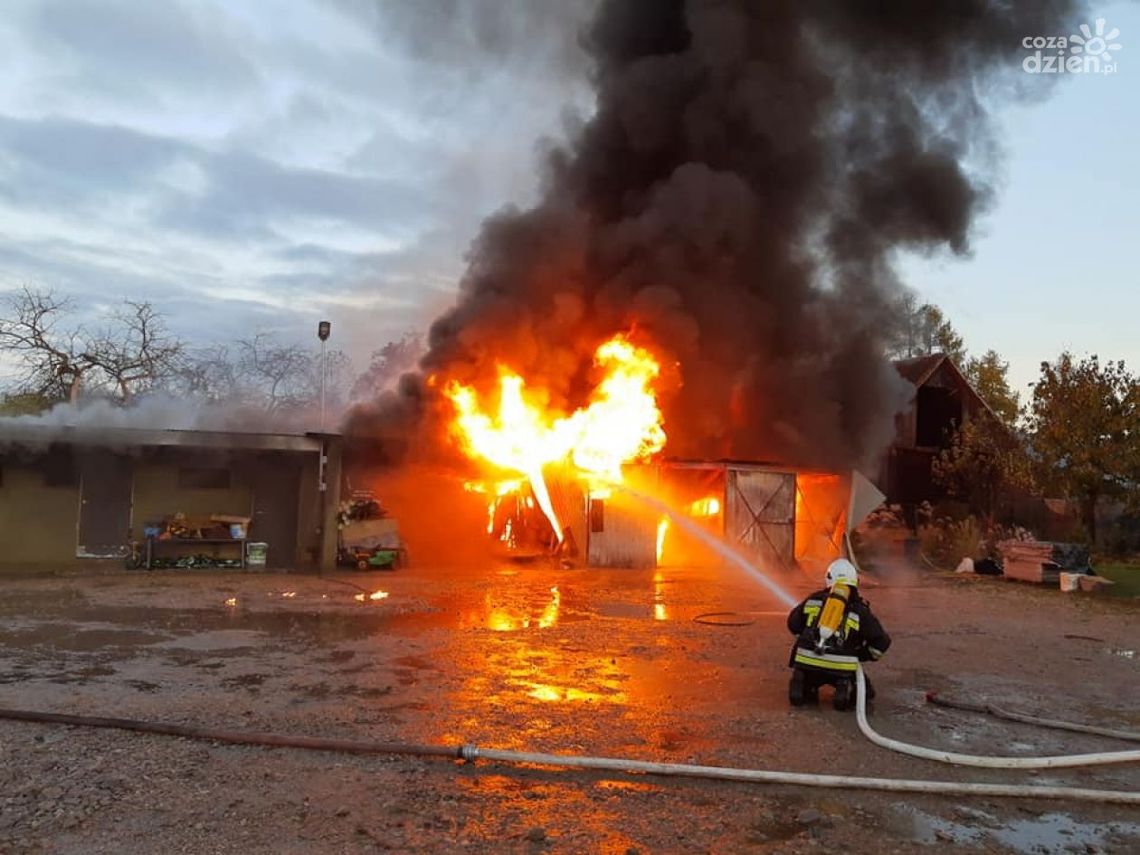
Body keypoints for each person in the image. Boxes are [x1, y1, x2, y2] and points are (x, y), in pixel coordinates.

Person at [786, 558, 890, 710]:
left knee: (809, 676)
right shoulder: (860, 610)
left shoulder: (813, 599)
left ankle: (803, 681)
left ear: (829, 578)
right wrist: (861, 654)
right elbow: (881, 642)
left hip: (807, 662)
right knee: (867, 693)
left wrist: (806, 640)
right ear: (855, 581)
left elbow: (793, 624)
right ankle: (844, 687)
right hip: (842, 668)